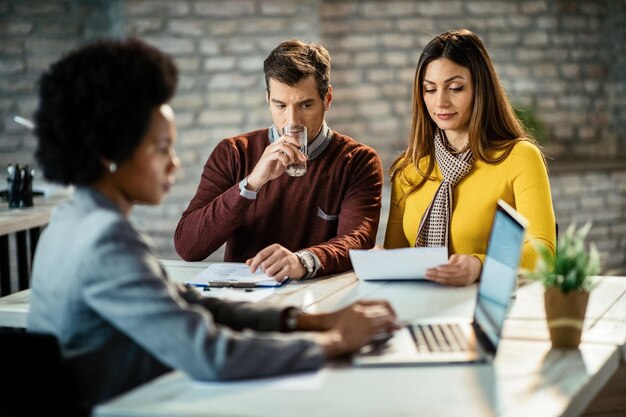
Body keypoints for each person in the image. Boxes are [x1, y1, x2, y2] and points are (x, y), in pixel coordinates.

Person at [27, 38, 398, 414]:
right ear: (111, 152)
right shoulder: (105, 240)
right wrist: (333, 341)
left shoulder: (73, 220)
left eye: (304, 105)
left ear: (326, 99)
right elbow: (211, 354)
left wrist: (304, 320)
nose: (175, 164)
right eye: (161, 148)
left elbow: (194, 304)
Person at [174, 39, 383, 282]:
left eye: (305, 105)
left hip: (320, 298)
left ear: (327, 99)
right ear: (267, 99)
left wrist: (302, 260)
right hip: (245, 301)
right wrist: (250, 184)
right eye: (280, 105)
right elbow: (188, 247)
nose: (292, 120)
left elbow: (357, 242)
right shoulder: (233, 152)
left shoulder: (358, 161)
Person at [384, 29, 556, 286]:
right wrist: (382, 261)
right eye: (430, 89)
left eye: (455, 88)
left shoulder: (519, 157)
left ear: (480, 88)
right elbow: (397, 257)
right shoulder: (408, 169)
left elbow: (544, 254)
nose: (440, 101)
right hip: (419, 310)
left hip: (485, 310)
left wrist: (480, 265)